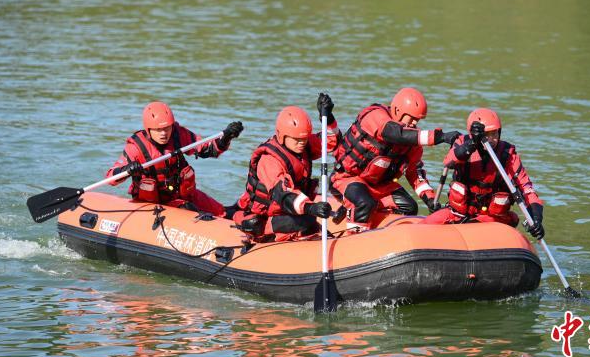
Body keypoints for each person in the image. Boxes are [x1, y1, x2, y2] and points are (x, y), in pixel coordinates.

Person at [330, 87, 460, 232]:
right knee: (365, 203)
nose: (414, 123)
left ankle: (378, 226)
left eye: (417, 120)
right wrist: (439, 137)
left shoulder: (412, 143)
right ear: (397, 111)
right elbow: (394, 133)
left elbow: (414, 174)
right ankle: (354, 235)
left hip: (378, 186)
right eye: (411, 118)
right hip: (347, 179)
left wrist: (429, 199)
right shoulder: (375, 116)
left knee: (410, 207)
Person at [421, 108, 545, 240]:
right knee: (425, 227)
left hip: (492, 218)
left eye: (495, 134)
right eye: (487, 134)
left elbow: (526, 188)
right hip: (459, 212)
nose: (491, 139)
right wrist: (472, 144)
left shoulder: (508, 154)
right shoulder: (463, 143)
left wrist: (536, 217)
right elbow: (449, 161)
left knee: (507, 219)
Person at [233, 93, 339, 242]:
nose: (302, 142)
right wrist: (310, 208)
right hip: (265, 218)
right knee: (308, 220)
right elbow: (283, 195)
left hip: (291, 212)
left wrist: (328, 117)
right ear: (282, 135)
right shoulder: (269, 160)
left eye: (304, 138)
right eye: (296, 139)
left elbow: (332, 141)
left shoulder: (302, 145)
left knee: (310, 222)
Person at [106, 101, 243, 216]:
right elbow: (110, 177)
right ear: (148, 129)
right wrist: (127, 170)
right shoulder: (136, 147)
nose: (164, 134)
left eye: (167, 128)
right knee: (188, 210)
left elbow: (208, 149)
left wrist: (226, 138)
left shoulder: (178, 135)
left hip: (182, 196)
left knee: (224, 213)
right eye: (158, 130)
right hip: (153, 204)